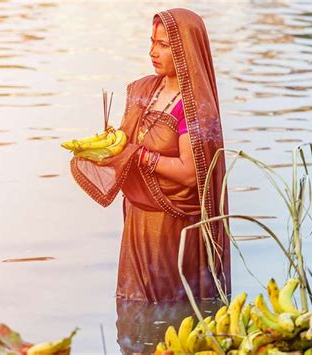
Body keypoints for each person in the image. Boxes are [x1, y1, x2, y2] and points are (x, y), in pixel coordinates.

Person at [70, 8, 231, 303]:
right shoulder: (145, 91)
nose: (152, 52)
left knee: (170, 310)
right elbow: (127, 141)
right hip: (137, 219)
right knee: (133, 306)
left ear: (185, 50)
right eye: (152, 42)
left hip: (173, 228)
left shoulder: (194, 107)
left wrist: (140, 157)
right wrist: (107, 148)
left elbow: (190, 174)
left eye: (164, 45)